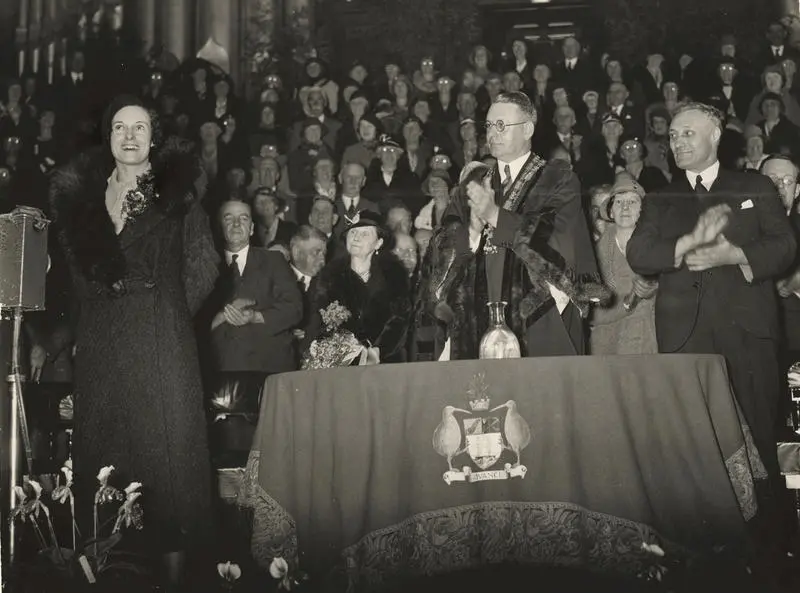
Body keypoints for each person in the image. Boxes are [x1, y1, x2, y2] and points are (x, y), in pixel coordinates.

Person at [48, 95, 220, 587]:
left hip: (161, 344)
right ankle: (105, 570)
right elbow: (76, 279)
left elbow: (204, 265)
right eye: (119, 127)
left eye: (140, 128)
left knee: (167, 463)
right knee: (105, 452)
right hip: (102, 341)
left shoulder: (177, 193)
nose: (129, 136)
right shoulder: (82, 200)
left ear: (153, 137)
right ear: (108, 138)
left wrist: (165, 313)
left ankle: (172, 580)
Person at [627, 102, 796, 487]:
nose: (677, 142)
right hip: (685, 341)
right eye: (672, 135)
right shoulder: (660, 198)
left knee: (759, 450)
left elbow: (784, 246)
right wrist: (689, 242)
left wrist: (735, 254)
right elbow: (639, 255)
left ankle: (765, 542)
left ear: (715, 134)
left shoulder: (754, 185)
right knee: (692, 452)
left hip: (748, 337)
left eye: (688, 133)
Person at [421, 92, 605, 359]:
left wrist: (495, 215)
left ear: (527, 129)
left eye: (501, 125)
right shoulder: (473, 183)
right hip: (475, 310)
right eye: (488, 125)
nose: (492, 133)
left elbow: (555, 235)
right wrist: (470, 232)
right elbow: (444, 238)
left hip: (537, 309)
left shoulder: (557, 178)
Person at [305, 210, 412, 363]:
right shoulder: (328, 278)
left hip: (385, 361)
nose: (356, 237)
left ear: (378, 243)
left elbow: (399, 322)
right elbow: (316, 324)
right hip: (341, 365)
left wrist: (376, 351)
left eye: (365, 234)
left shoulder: (395, 277)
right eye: (353, 232)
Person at [590, 174, 658, 354]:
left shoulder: (660, 248)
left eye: (632, 202)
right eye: (619, 202)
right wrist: (628, 303)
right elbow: (590, 313)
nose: (625, 207)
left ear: (643, 210)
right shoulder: (593, 255)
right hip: (606, 347)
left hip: (647, 344)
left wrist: (656, 288)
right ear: (611, 211)